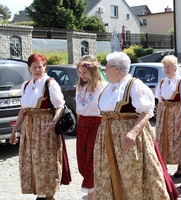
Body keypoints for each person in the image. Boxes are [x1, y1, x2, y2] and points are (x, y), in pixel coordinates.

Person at [94, 52, 174, 199]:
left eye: (107, 68)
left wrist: (133, 132)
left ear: (117, 69)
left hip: (128, 137)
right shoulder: (109, 87)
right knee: (108, 173)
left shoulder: (134, 85)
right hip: (108, 137)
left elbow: (147, 111)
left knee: (131, 174)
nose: (105, 71)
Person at [10, 54, 65, 200]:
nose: (37, 69)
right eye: (34, 67)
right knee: (31, 161)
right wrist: (14, 131)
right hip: (29, 129)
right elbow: (23, 111)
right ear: (29, 68)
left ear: (45, 67)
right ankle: (40, 194)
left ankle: (49, 196)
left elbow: (60, 107)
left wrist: (53, 122)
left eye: (40, 66)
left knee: (46, 162)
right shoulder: (26, 85)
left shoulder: (50, 83)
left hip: (44, 129)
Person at [75, 55, 108, 200]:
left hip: (97, 125)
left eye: (85, 72)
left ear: (94, 71)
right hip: (83, 126)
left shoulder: (103, 87)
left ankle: (92, 196)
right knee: (82, 161)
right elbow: (78, 110)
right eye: (80, 72)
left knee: (92, 162)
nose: (83, 76)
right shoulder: (79, 87)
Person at [155, 55, 181, 177]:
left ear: (175, 67)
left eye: (169, 66)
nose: (166, 69)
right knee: (163, 138)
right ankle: (164, 165)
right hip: (165, 113)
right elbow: (160, 100)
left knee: (177, 139)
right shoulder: (163, 81)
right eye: (164, 66)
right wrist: (159, 118)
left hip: (177, 112)